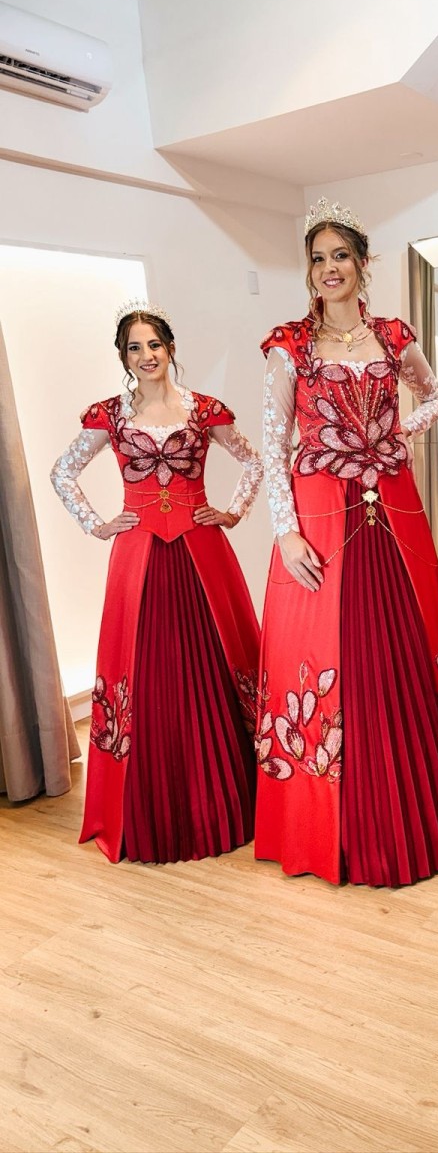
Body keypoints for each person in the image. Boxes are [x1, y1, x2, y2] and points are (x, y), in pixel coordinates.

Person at [256, 197, 438, 886]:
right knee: (328, 649)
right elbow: (273, 443)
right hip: (320, 513)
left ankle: (415, 808)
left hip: (393, 507)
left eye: (340, 255)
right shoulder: (290, 344)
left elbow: (435, 397)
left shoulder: (392, 335)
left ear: (362, 261)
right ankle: (327, 827)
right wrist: (286, 531)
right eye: (318, 259)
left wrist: (399, 432)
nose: (329, 269)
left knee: (402, 641)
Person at [51, 302, 263, 863]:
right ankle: (149, 811)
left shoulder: (204, 410)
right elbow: (61, 471)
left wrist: (232, 512)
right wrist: (97, 524)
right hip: (138, 554)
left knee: (214, 663)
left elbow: (254, 461)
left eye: (154, 345)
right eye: (134, 348)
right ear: (124, 358)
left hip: (201, 552)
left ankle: (228, 799)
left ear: (170, 349)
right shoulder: (110, 416)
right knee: (144, 670)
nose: (146, 356)